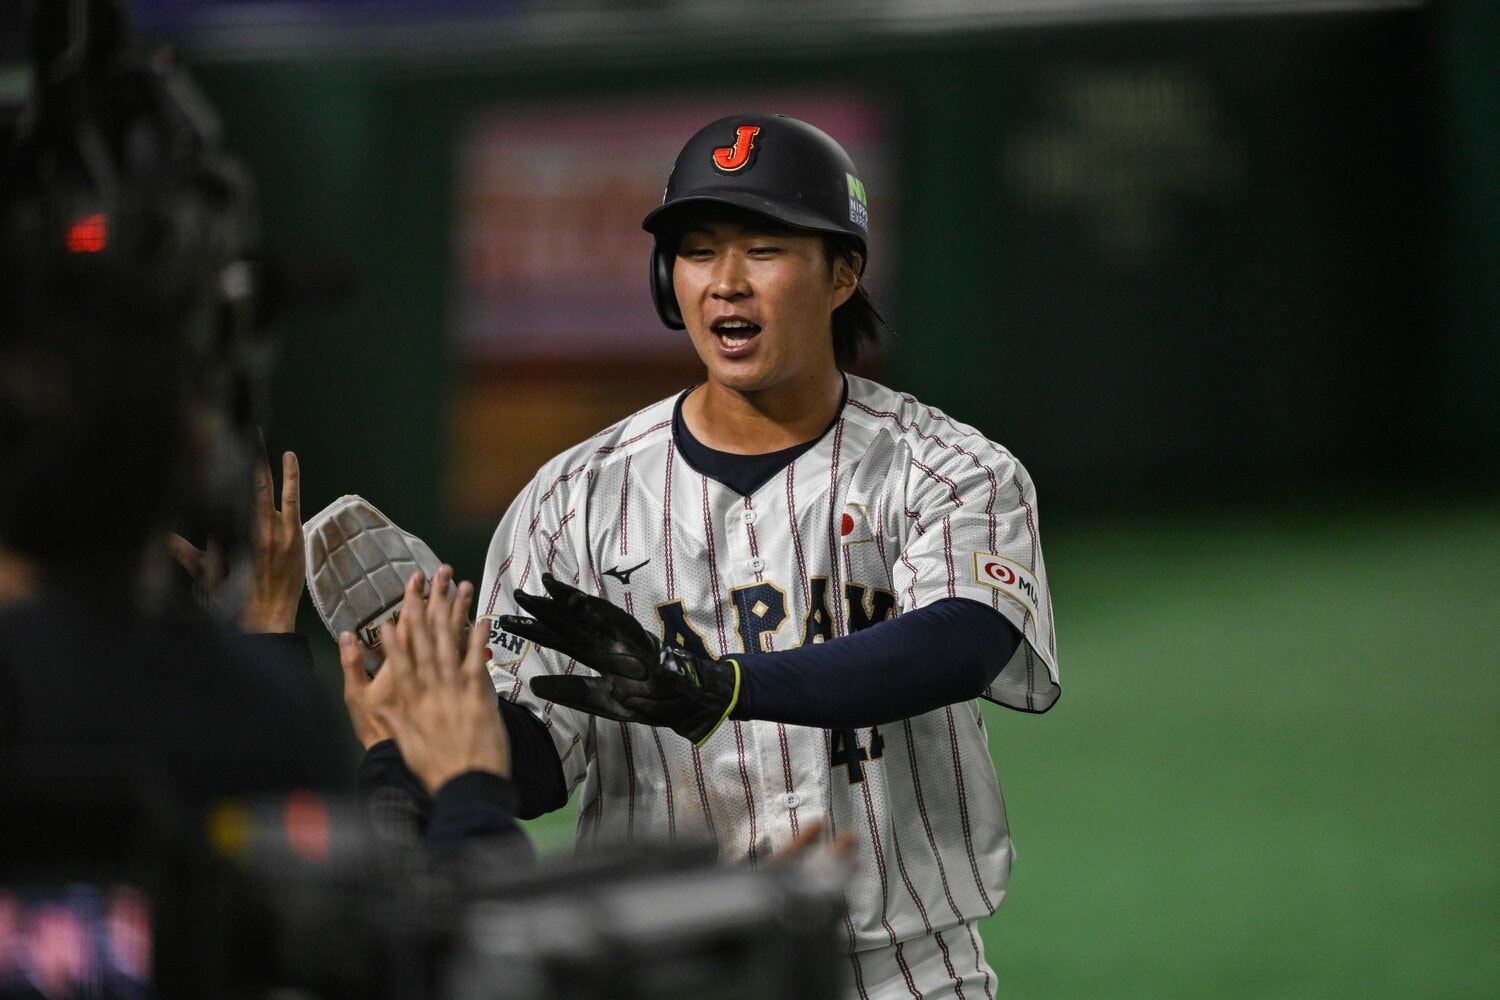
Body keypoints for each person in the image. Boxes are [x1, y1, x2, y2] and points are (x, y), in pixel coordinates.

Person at [475, 113, 1061, 998]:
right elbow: (537, 765)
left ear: (844, 272)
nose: (728, 284)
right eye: (700, 251)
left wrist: (724, 687)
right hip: (663, 971)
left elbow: (962, 641)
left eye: (765, 249)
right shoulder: (570, 501)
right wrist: (435, 723)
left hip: (901, 972)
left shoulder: (951, 469)